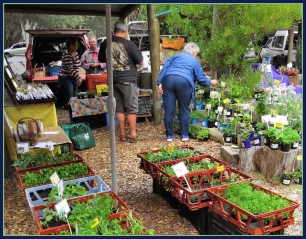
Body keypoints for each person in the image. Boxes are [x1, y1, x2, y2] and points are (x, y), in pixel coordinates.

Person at [157, 42, 218, 142]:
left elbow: (165, 69)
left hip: (168, 80)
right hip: (184, 81)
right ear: (193, 52)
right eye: (196, 54)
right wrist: (211, 82)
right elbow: (201, 78)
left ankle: (169, 136)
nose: (196, 56)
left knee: (169, 110)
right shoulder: (194, 61)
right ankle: (184, 135)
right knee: (184, 109)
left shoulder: (174, 57)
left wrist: (160, 82)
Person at [98, 21, 144, 143]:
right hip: (128, 80)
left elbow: (101, 59)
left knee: (119, 107)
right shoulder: (129, 44)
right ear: (124, 31)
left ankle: (123, 134)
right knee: (131, 107)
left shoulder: (105, 43)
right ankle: (133, 134)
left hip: (113, 80)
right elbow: (140, 62)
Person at [58, 36, 82, 123]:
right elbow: (70, 68)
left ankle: (76, 118)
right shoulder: (67, 54)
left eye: (77, 45)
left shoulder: (76, 54)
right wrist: (78, 77)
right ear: (69, 45)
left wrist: (78, 76)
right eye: (74, 45)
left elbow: (77, 67)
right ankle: (72, 120)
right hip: (66, 78)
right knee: (70, 99)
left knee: (75, 99)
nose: (76, 47)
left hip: (73, 78)